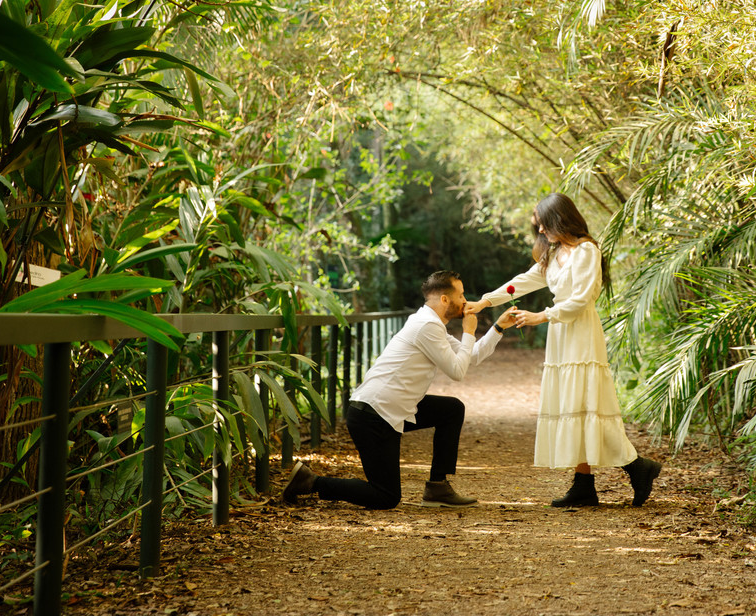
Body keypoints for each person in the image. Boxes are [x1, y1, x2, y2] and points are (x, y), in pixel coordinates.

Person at [466, 193, 661, 507]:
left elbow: (582, 299)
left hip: (581, 332)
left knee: (587, 403)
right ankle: (584, 484)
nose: (541, 231)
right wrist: (485, 301)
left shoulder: (587, 251)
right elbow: (523, 281)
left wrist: (541, 316)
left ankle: (637, 466)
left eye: (544, 224)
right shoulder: (553, 254)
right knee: (572, 405)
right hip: (560, 334)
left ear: (559, 219)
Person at [283, 270, 517, 509]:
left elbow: (471, 356)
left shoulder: (431, 324)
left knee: (451, 409)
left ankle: (437, 487)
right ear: (445, 299)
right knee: (385, 496)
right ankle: (311, 482)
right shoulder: (426, 326)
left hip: (392, 409)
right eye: (461, 295)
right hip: (373, 415)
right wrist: (468, 331)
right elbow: (457, 371)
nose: (466, 301)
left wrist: (498, 327)